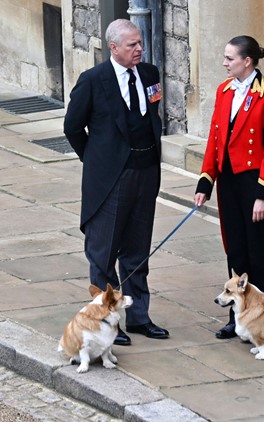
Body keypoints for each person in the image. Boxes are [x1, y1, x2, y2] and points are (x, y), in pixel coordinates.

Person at [63, 19, 168, 346]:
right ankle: (108, 322)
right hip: (110, 180)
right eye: (132, 45)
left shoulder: (149, 74)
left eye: (140, 43)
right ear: (114, 48)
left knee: (137, 251)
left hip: (145, 172)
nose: (139, 49)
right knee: (104, 253)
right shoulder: (93, 81)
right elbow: (72, 127)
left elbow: (153, 115)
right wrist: (97, 162)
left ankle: (138, 317)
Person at [194, 35, 264, 339]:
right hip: (230, 182)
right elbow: (215, 138)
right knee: (235, 249)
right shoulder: (224, 91)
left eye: (229, 58)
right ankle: (239, 316)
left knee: (259, 251)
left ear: (247, 61)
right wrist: (205, 180)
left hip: (255, 181)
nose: (224, 63)